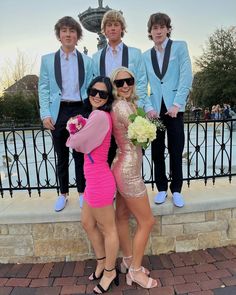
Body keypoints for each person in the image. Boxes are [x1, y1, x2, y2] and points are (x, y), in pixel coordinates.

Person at [66, 76, 119, 294]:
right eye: (93, 91)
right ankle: (101, 261)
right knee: (87, 222)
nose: (97, 96)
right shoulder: (96, 115)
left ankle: (109, 272)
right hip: (93, 180)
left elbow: (76, 143)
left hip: (99, 181)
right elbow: (83, 144)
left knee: (108, 229)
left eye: (102, 93)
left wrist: (74, 135)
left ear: (108, 97)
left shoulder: (99, 115)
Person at [38, 16, 93, 212]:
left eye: (72, 31)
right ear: (59, 35)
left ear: (77, 35)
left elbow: (91, 87)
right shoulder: (47, 60)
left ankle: (81, 192)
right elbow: (43, 88)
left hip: (80, 109)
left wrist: (90, 112)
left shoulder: (87, 60)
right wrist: (45, 114)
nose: (68, 34)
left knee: (80, 155)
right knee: (61, 155)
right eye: (64, 31)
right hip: (59, 110)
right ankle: (63, 193)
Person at [110, 67, 157, 289]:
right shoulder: (120, 107)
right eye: (120, 83)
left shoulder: (129, 105)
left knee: (121, 215)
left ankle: (128, 260)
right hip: (127, 170)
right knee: (147, 221)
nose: (125, 85)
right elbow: (141, 134)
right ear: (114, 87)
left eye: (128, 81)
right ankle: (135, 272)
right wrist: (148, 130)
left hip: (122, 166)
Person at [140, 12, 193, 207]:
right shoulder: (145, 56)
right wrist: (147, 107)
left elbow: (186, 76)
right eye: (155, 28)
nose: (159, 31)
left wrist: (177, 104)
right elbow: (140, 84)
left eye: (162, 27)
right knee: (156, 150)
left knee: (176, 148)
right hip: (155, 110)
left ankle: (177, 189)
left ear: (168, 29)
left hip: (174, 108)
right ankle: (161, 188)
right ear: (150, 32)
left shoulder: (180, 47)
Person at [92, 9, 147, 166]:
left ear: (122, 28)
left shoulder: (135, 54)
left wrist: (137, 108)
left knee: (133, 154)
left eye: (116, 24)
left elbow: (142, 81)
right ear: (104, 30)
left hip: (130, 110)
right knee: (107, 154)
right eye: (109, 25)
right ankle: (110, 190)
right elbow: (95, 84)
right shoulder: (97, 57)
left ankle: (131, 188)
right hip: (107, 111)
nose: (113, 28)